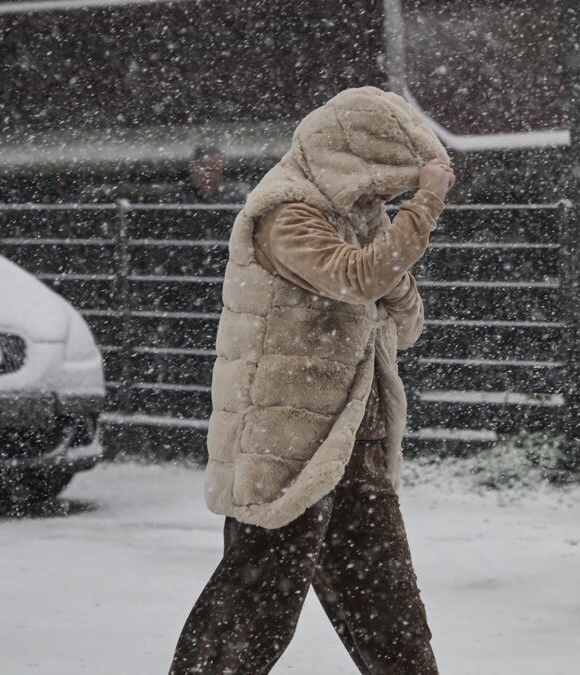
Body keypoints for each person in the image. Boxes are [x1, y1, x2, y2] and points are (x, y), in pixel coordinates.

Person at [170, 86, 454, 674]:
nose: (383, 197)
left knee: (392, 618)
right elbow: (355, 279)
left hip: (357, 442)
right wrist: (419, 212)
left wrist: (389, 257)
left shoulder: (360, 219)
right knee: (253, 611)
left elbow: (406, 323)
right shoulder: (285, 214)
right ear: (347, 160)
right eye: (379, 182)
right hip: (288, 449)